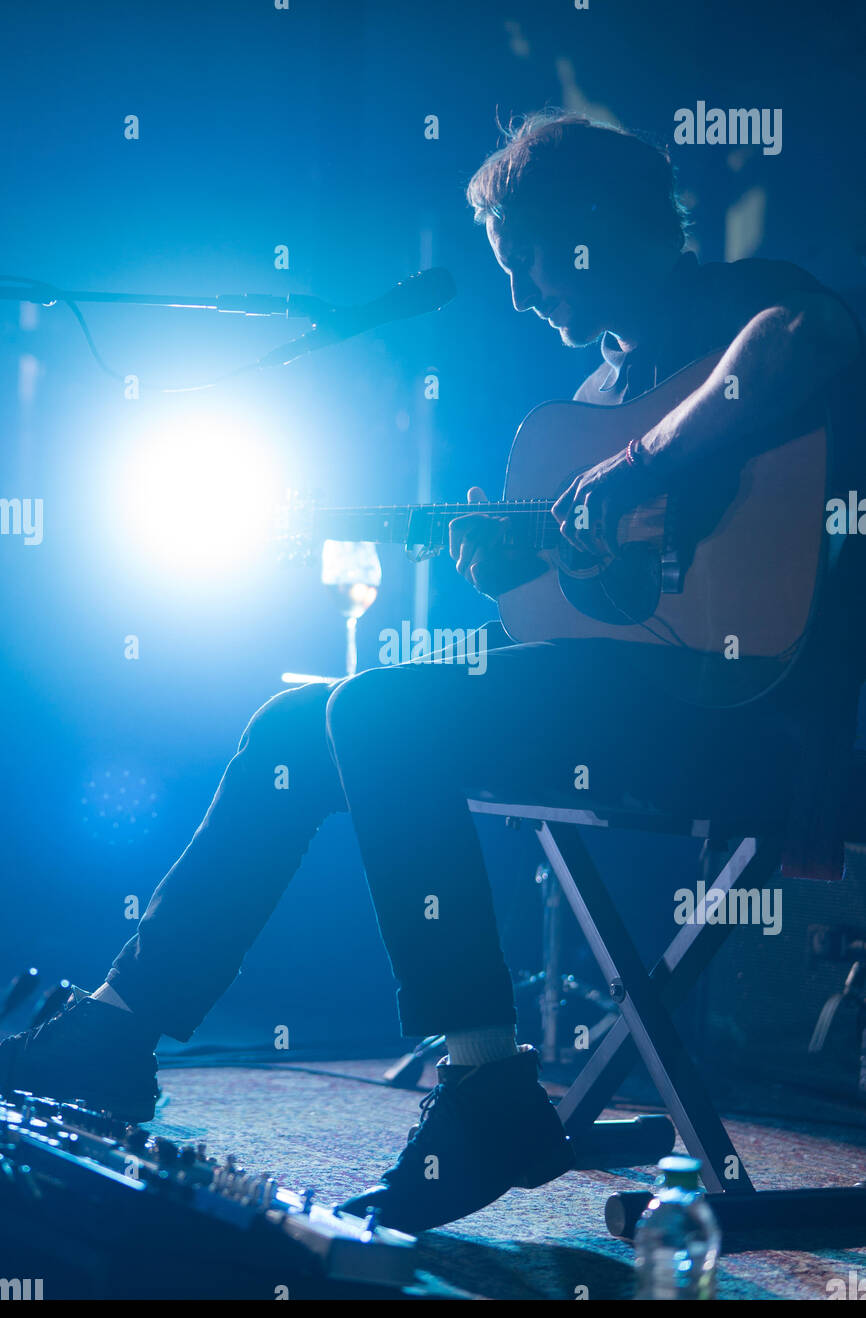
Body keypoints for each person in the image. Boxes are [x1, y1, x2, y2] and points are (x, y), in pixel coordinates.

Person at [2, 112, 862, 1233]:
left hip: (752, 712)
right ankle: (122, 1024)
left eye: (528, 266)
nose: (518, 299)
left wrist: (638, 463)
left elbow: (793, 345)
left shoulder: (742, 304)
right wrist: (521, 561)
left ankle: (483, 1084)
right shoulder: (589, 400)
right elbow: (604, 614)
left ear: (591, 231)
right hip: (635, 694)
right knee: (288, 726)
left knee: (382, 710)